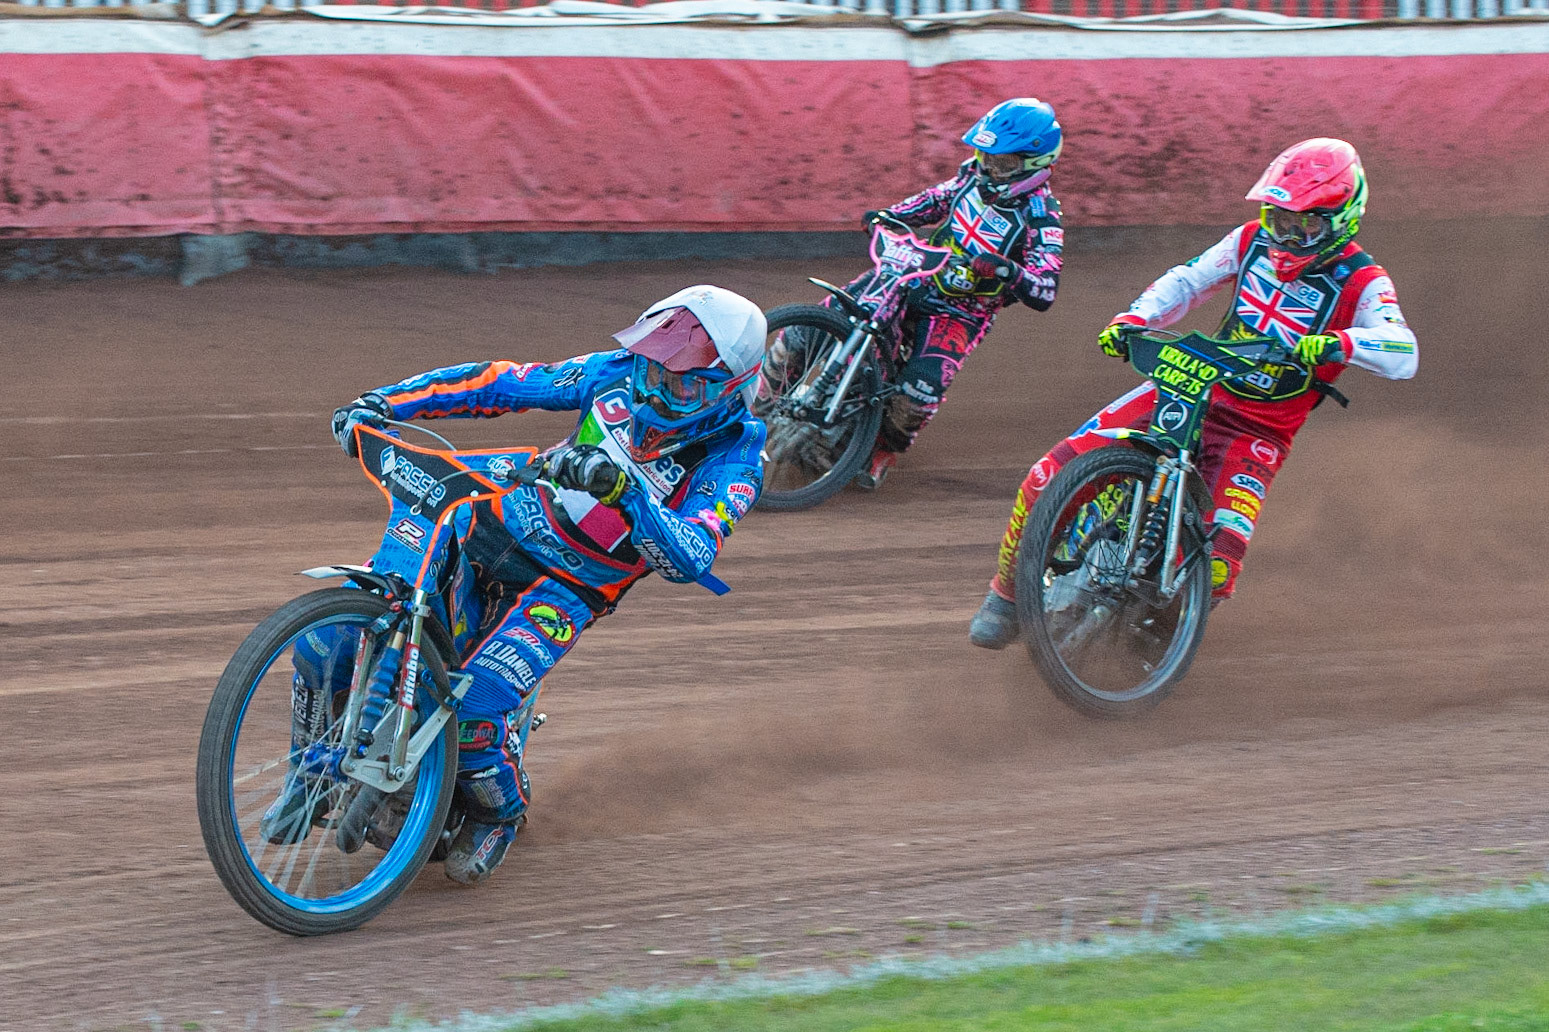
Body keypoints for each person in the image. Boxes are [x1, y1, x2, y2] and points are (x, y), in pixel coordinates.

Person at [271, 285, 768, 884]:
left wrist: (627, 494)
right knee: (330, 640)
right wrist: (385, 402)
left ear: (731, 388)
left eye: (682, 385)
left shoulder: (738, 457)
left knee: (474, 712)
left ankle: (499, 814)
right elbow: (505, 383)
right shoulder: (611, 373)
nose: (656, 391)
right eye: (652, 369)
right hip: (488, 521)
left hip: (567, 587)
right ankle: (307, 770)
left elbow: (690, 557)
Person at [969, 138, 1418, 648]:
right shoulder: (1249, 240)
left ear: (1342, 220)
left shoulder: (1364, 280)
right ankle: (1005, 597)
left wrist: (1342, 343)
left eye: (1304, 225)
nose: (1286, 236)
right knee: (1046, 475)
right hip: (1188, 384)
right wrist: (1135, 318)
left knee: (1219, 568)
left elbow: (1404, 351)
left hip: (1256, 431)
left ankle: (1158, 639)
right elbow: (1187, 281)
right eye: (1278, 219)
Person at [765, 98, 1065, 490]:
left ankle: (880, 449)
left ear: (1035, 163)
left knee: (919, 392)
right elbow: (937, 199)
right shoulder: (971, 175)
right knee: (811, 328)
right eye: (986, 156)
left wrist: (1008, 270)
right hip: (914, 273)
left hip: (961, 311)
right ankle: (757, 400)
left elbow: (1045, 287)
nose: (989, 168)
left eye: (1003, 162)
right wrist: (891, 215)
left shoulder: (1042, 215)